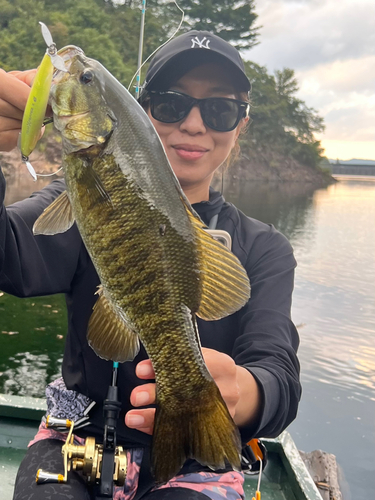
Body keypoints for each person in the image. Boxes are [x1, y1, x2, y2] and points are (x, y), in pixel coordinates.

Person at [0, 31, 301, 500]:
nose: (195, 125)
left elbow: (279, 376)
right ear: (138, 113)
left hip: (197, 461)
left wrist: (244, 390)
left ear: (240, 126)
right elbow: (7, 254)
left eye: (219, 110)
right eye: (170, 105)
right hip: (75, 438)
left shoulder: (265, 249)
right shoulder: (79, 198)